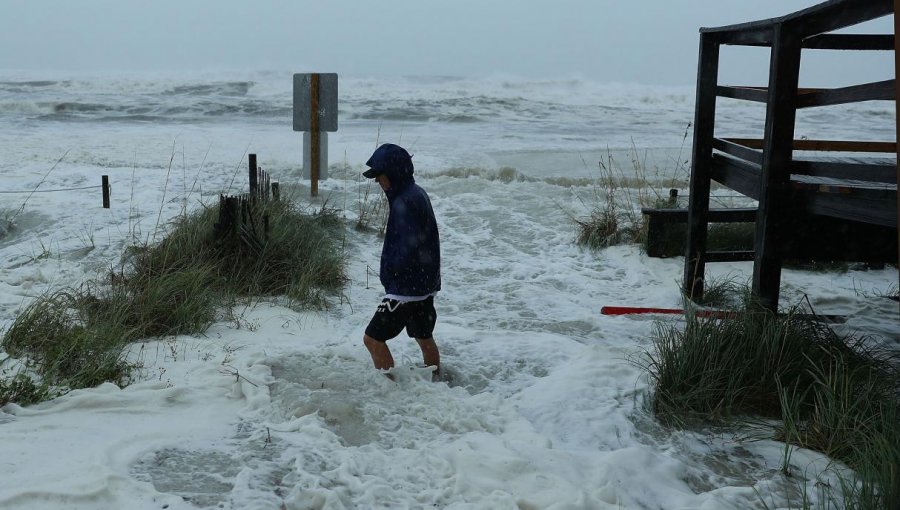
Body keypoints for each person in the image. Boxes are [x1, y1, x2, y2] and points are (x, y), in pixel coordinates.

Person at [361, 143, 442, 381]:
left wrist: (390, 274)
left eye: (379, 175)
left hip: (406, 290)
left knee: (372, 339)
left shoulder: (403, 202)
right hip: (426, 286)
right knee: (424, 337)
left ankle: (391, 392)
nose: (378, 181)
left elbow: (406, 249)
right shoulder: (417, 193)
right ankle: (437, 383)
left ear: (394, 173)